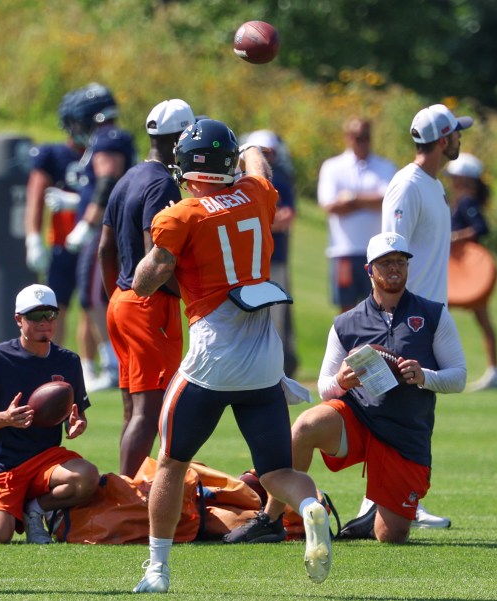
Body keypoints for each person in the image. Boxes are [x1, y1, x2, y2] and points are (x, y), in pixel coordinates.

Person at [130, 119, 331, 593]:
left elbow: (144, 281)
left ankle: (157, 571)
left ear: (187, 166)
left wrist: (164, 246)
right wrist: (253, 146)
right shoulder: (257, 194)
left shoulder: (181, 216)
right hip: (265, 357)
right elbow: (259, 165)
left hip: (213, 357)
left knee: (171, 465)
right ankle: (308, 507)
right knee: (277, 471)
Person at [224, 232, 466, 544]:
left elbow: (458, 376)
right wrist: (341, 382)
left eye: (400, 261)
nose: (395, 268)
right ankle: (273, 518)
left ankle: (372, 517)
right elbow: (325, 387)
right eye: (386, 263)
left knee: (390, 536)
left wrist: (425, 377)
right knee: (305, 426)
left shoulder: (433, 314)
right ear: (369, 270)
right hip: (359, 421)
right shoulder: (346, 323)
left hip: (405, 435)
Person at [380, 103, 473, 528]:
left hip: (429, 315)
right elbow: (390, 253)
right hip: (408, 315)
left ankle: (401, 501)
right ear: (442, 140)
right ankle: (389, 504)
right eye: (456, 134)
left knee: (417, 414)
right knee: (402, 415)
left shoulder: (432, 185)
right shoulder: (408, 186)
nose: (460, 139)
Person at [98, 98, 195, 477]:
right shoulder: (162, 183)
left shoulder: (128, 176)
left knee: (132, 409)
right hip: (149, 306)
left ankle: (125, 486)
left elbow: (105, 248)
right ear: (179, 138)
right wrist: (187, 294)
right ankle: (127, 499)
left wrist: (117, 300)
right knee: (149, 411)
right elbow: (154, 256)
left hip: (121, 302)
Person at [0, 284, 99, 544]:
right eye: (36, 316)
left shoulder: (68, 361)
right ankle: (3, 507)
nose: (45, 322)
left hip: (45, 461)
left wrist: (77, 425)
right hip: (1, 465)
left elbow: (77, 415)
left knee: (87, 476)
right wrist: (5, 418)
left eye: (51, 315)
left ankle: (35, 509)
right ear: (18, 319)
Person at [49, 82, 138, 392]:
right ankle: (111, 362)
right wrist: (76, 204)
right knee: (93, 297)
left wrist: (86, 223)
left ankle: (114, 364)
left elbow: (107, 182)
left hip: (104, 229)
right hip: (105, 225)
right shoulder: (106, 140)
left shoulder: (107, 139)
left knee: (94, 296)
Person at [24, 90, 100, 388]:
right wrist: (33, 237)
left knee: (90, 306)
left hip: (93, 244)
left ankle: (89, 366)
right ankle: (51, 363)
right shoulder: (53, 155)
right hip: (61, 244)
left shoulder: (102, 154)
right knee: (56, 309)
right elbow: (36, 196)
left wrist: (74, 200)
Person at [317, 117, 397, 312]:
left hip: (377, 252)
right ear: (348, 137)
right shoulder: (333, 167)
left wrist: (352, 199)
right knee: (347, 311)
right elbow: (331, 206)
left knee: (380, 307)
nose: (361, 141)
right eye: (357, 137)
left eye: (365, 137)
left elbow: (387, 201)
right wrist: (368, 202)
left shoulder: (385, 167)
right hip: (344, 250)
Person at [447, 153, 497, 391]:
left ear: (464, 179)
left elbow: (481, 227)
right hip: (459, 270)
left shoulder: (466, 201)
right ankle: (494, 370)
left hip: (467, 270)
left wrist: (454, 238)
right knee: (442, 315)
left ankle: (494, 371)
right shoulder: (462, 200)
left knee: (438, 314)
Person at [243, 129, 298, 377]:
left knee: (276, 319)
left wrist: (261, 219)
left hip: (276, 258)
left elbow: (285, 218)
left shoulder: (283, 181)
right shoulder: (244, 182)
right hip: (251, 262)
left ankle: (274, 371)